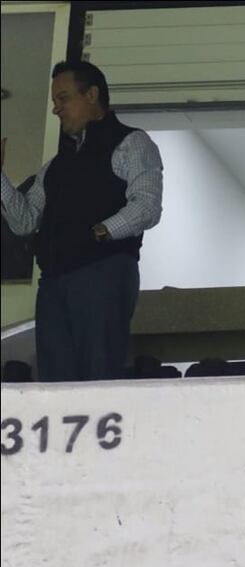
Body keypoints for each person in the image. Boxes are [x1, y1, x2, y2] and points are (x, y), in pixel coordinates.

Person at [1, 61, 163, 381]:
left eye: (63, 98)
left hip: (102, 272)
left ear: (91, 95)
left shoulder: (131, 142)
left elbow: (147, 206)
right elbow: (25, 222)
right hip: (54, 282)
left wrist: (99, 234)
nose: (55, 108)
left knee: (97, 374)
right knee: (55, 380)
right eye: (55, 100)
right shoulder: (56, 166)